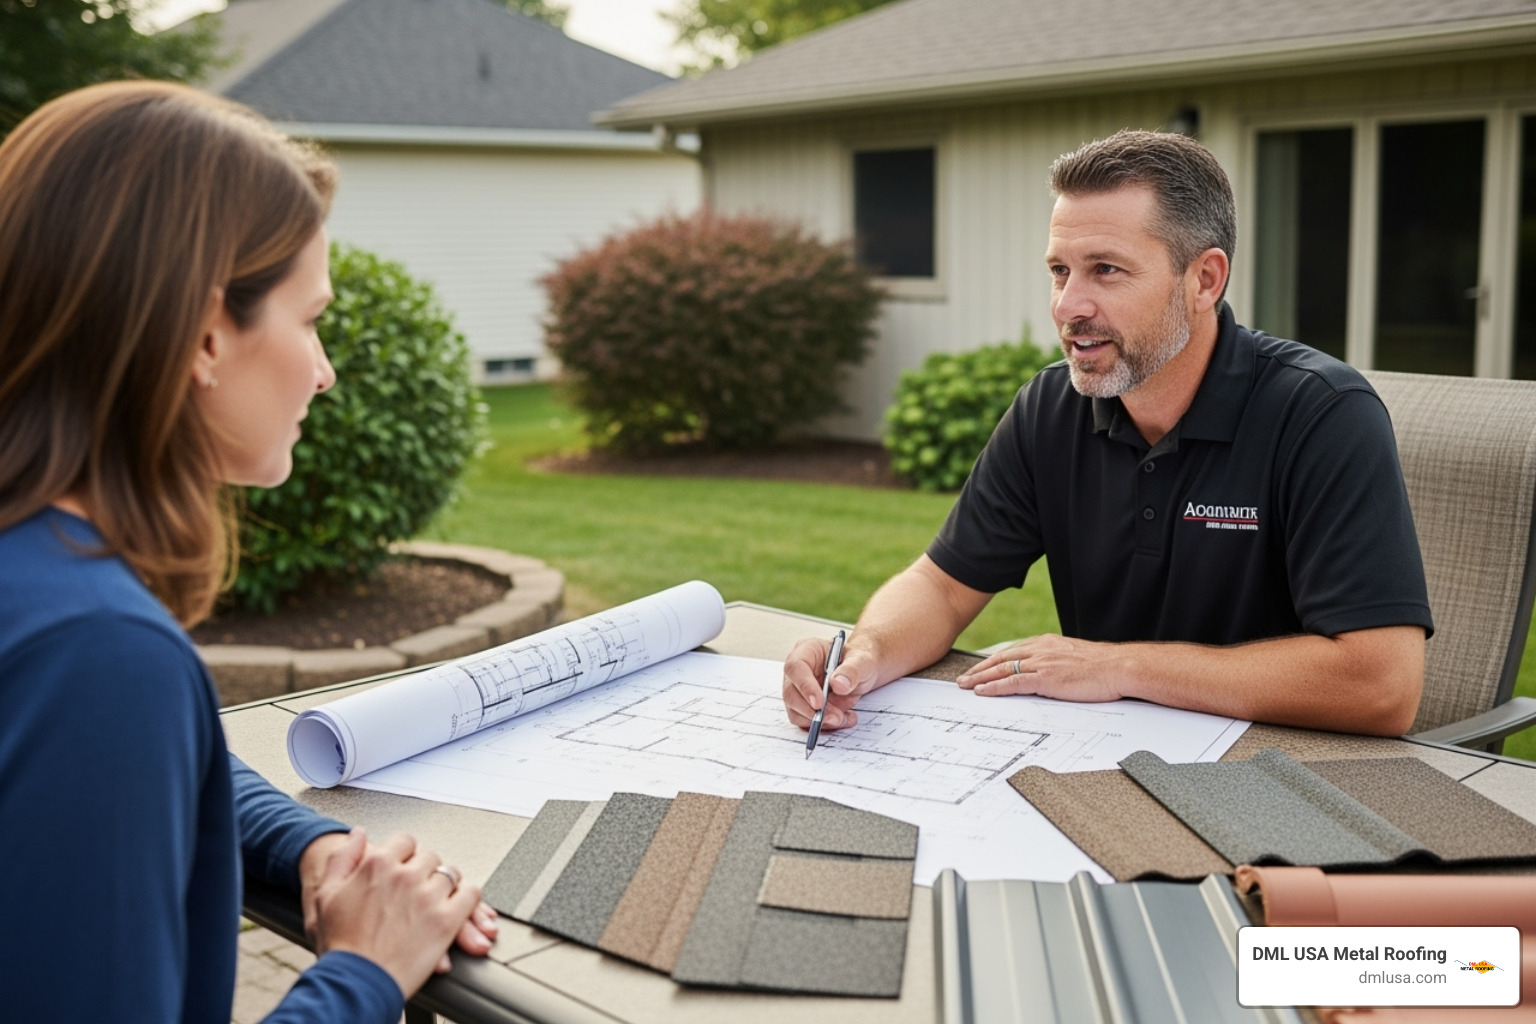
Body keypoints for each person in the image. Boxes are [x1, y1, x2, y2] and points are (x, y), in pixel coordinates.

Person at [0, 82, 499, 1022]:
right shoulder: (95, 652)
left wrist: (306, 846)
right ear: (202, 333)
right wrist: (364, 971)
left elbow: (124, 771)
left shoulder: (40, 591)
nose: (325, 369)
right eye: (309, 319)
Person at [783, 129, 1433, 740]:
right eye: (1060, 270)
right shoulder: (1051, 406)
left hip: (1282, 773)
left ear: (1204, 279)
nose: (1068, 306)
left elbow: (1382, 683)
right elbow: (942, 585)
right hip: (1098, 761)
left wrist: (1120, 667)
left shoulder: (1322, 414)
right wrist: (864, 653)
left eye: (1106, 271)